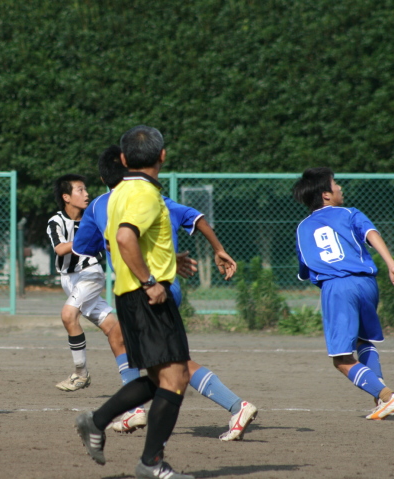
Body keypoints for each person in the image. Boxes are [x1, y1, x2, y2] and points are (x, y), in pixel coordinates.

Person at [73, 145, 257, 440]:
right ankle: (135, 414)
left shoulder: (101, 205)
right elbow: (195, 217)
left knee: (171, 365)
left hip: (147, 290)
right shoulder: (152, 195)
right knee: (124, 341)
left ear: (103, 177)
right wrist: (217, 249)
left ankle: (236, 406)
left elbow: (83, 246)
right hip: (164, 286)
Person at [75, 125, 195, 479]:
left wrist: (168, 261)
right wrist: (150, 281)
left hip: (130, 296)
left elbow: (127, 240)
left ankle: (96, 421)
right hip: (147, 297)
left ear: (125, 159)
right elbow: (126, 238)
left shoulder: (119, 193)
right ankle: (151, 463)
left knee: (164, 378)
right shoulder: (144, 193)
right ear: (162, 156)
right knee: (175, 378)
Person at [294, 167, 394, 420]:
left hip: (337, 287)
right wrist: (391, 265)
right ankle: (381, 399)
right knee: (362, 341)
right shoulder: (349, 213)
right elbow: (371, 234)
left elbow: (305, 270)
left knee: (342, 359)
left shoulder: (303, 228)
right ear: (326, 194)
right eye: (335, 184)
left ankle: (388, 397)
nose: (340, 187)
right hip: (367, 283)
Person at [46, 174, 140, 395]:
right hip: (69, 280)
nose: (86, 194)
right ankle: (135, 375)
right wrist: (86, 241)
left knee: (68, 315)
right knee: (113, 329)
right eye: (80, 190)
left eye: (86, 189)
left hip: (90, 274)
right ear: (66, 197)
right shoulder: (56, 221)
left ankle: (80, 373)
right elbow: (59, 249)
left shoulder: (95, 215)